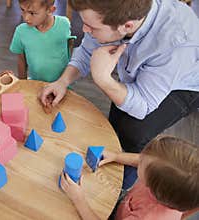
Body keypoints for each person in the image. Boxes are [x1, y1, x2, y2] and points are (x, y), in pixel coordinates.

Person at [39, 0, 199, 188]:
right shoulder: (110, 13)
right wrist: (62, 81)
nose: (84, 29)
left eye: (91, 26)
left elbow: (143, 106)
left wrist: (103, 79)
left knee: (134, 132)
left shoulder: (176, 42)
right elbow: (86, 50)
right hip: (143, 68)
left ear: (128, 26)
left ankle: (121, 184)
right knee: (117, 118)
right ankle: (112, 151)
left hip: (184, 85)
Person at [60, 135, 199, 220]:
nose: (140, 158)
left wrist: (79, 200)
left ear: (153, 187)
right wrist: (116, 156)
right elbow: (143, 160)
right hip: (127, 206)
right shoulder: (166, 181)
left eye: (142, 162)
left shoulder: (146, 217)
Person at [10, 0, 75, 82]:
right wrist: (22, 83)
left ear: (50, 10)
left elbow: (69, 47)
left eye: (32, 13)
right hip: (36, 83)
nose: (26, 18)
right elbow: (21, 60)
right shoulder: (21, 31)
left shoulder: (64, 24)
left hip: (62, 84)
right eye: (22, 10)